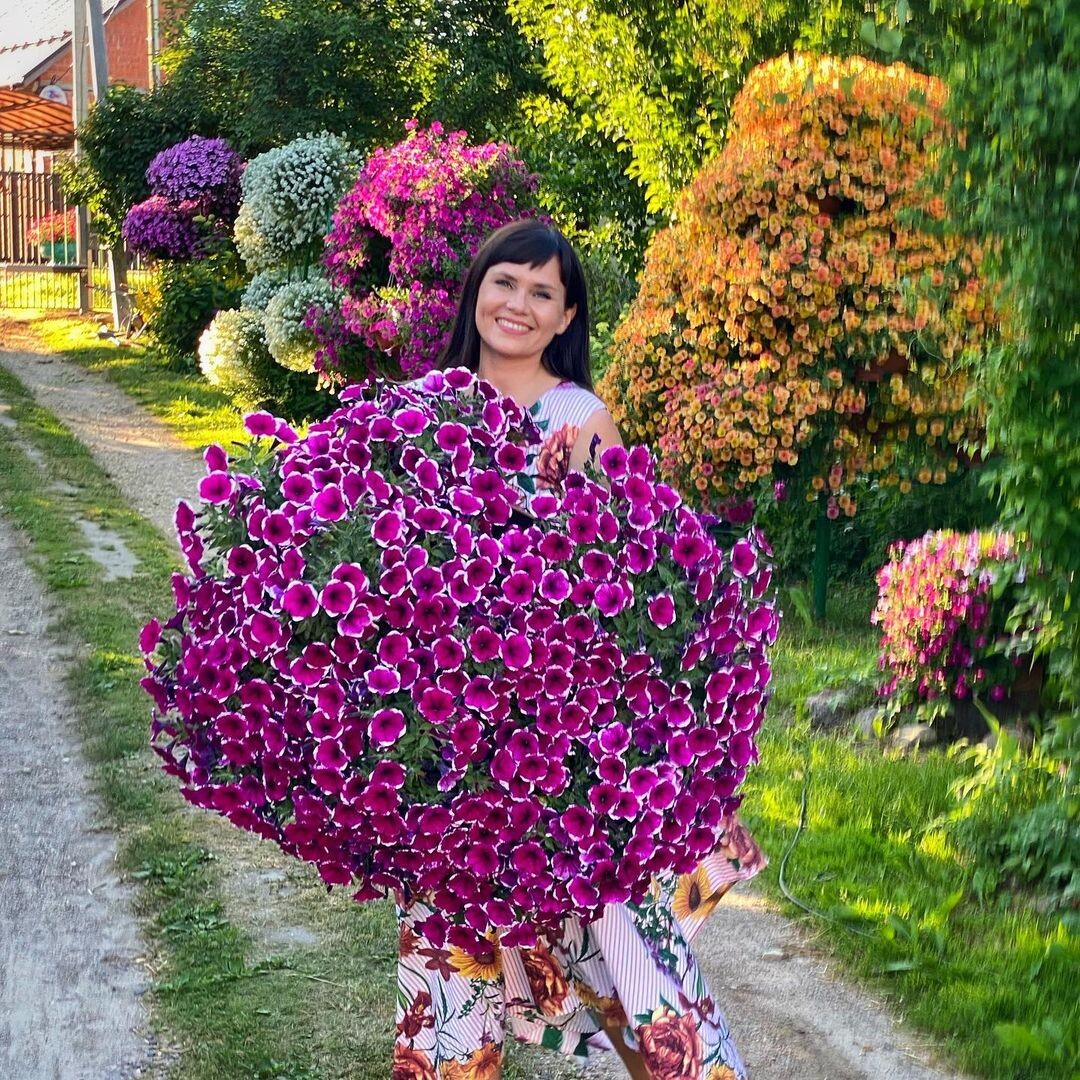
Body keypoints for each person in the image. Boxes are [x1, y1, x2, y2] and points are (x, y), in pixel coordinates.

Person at [394, 219, 766, 1080]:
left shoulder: (578, 414)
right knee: (448, 958)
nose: (517, 304)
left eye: (542, 292)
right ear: (476, 290)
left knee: (625, 940)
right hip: (454, 736)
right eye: (504, 283)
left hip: (565, 742)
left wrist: (562, 498)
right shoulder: (427, 407)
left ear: (566, 319)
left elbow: (626, 573)